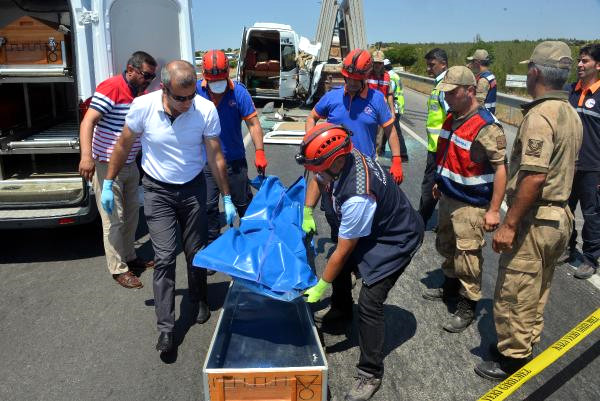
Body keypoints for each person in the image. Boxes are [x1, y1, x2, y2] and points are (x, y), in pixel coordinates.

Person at [101, 60, 236, 353]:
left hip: (193, 189)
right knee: (163, 258)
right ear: (164, 88)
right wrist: (109, 181)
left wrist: (226, 196)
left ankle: (199, 297)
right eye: (180, 98)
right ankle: (166, 328)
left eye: (190, 97)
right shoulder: (143, 106)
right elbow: (123, 144)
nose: (187, 103)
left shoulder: (205, 110)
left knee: (195, 251)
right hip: (157, 191)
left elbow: (215, 156)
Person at [475, 41, 582, 381]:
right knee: (537, 287)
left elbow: (534, 176)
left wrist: (510, 223)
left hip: (537, 218)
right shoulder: (570, 112)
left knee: (515, 290)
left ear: (534, 72)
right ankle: (524, 342)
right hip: (559, 216)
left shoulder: (540, 116)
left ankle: (513, 358)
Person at [299, 123, 423, 401]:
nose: (317, 174)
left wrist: (321, 286)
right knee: (338, 263)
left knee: (370, 301)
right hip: (374, 227)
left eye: (320, 168)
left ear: (338, 161)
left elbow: (345, 249)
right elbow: (318, 179)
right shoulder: (338, 160)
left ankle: (370, 373)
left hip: (396, 239)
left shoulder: (357, 194)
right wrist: (307, 210)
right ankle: (341, 311)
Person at [422, 66, 507, 333]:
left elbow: (501, 169)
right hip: (449, 196)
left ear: (470, 91)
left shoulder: (485, 126)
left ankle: (468, 304)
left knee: (468, 256)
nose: (446, 98)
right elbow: (447, 154)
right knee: (446, 244)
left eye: (452, 92)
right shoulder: (452, 117)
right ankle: (449, 286)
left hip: (471, 204)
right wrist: (439, 182)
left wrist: (494, 210)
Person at [304, 48, 404, 242]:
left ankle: (355, 256)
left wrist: (397, 160)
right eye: (347, 78)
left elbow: (391, 131)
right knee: (333, 214)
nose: (349, 83)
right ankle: (340, 246)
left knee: (361, 220)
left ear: (365, 77)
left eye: (354, 80)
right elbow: (312, 117)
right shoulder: (333, 97)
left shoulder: (376, 100)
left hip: (364, 171)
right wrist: (311, 138)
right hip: (333, 167)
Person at [78, 51, 157, 289]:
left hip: (130, 164)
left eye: (152, 77)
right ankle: (118, 269)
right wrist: (86, 157)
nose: (149, 80)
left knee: (132, 216)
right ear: (130, 70)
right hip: (104, 164)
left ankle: (131, 257)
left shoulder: (141, 94)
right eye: (146, 75)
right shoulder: (112, 87)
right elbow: (88, 121)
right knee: (113, 219)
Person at [196, 49, 268, 275]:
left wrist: (259, 151)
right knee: (208, 208)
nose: (216, 84)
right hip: (206, 163)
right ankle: (214, 249)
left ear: (227, 72)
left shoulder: (239, 93)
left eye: (220, 79)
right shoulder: (196, 91)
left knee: (243, 205)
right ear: (205, 75)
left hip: (234, 161)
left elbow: (254, 124)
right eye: (212, 79)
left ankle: (252, 248)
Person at [565, 43, 600, 279]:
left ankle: (590, 258)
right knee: (564, 210)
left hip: (593, 167)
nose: (579, 64)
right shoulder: (570, 91)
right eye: (579, 60)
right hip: (567, 165)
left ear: (598, 65)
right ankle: (566, 248)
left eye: (585, 61)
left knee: (591, 214)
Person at [419, 48, 450, 227]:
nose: (428, 69)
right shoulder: (440, 84)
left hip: (440, 147)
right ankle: (444, 222)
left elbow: (451, 116)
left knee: (430, 184)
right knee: (441, 184)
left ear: (443, 64)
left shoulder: (445, 87)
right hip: (438, 145)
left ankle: (420, 220)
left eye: (432, 65)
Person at [366, 50, 395, 158]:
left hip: (381, 110)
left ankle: (375, 157)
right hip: (367, 109)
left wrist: (392, 112)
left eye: (380, 63)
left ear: (383, 63)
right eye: (375, 63)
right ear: (372, 63)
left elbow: (390, 94)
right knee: (367, 133)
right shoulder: (367, 75)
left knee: (379, 136)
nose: (377, 65)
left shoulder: (387, 76)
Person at [383, 58, 409, 161]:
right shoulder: (395, 75)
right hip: (397, 106)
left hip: (394, 107)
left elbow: (390, 92)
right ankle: (380, 149)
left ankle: (403, 154)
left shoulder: (390, 77)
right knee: (386, 126)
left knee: (396, 131)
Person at [467, 49, 497, 114]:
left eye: (472, 61)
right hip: (489, 114)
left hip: (483, 116)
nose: (470, 63)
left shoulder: (483, 80)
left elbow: (479, 103)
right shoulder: (490, 76)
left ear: (477, 62)